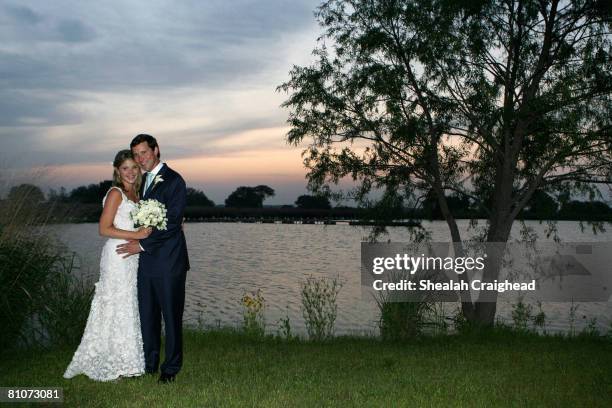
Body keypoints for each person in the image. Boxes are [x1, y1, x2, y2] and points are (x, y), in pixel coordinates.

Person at [64, 150, 151, 382]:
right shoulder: (116, 193)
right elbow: (104, 229)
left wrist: (148, 232)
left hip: (132, 256)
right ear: (117, 171)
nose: (131, 172)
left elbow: (142, 227)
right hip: (117, 256)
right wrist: (136, 234)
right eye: (125, 168)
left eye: (134, 167)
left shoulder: (137, 195)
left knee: (127, 306)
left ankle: (126, 362)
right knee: (114, 305)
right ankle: (109, 365)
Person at [116, 134, 190, 384]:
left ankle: (170, 369)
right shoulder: (141, 181)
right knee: (147, 316)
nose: (140, 159)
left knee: (170, 317)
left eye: (144, 153)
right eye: (136, 154)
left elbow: (171, 224)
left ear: (156, 150)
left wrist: (142, 245)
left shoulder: (174, 180)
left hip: (169, 262)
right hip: (145, 264)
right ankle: (149, 363)